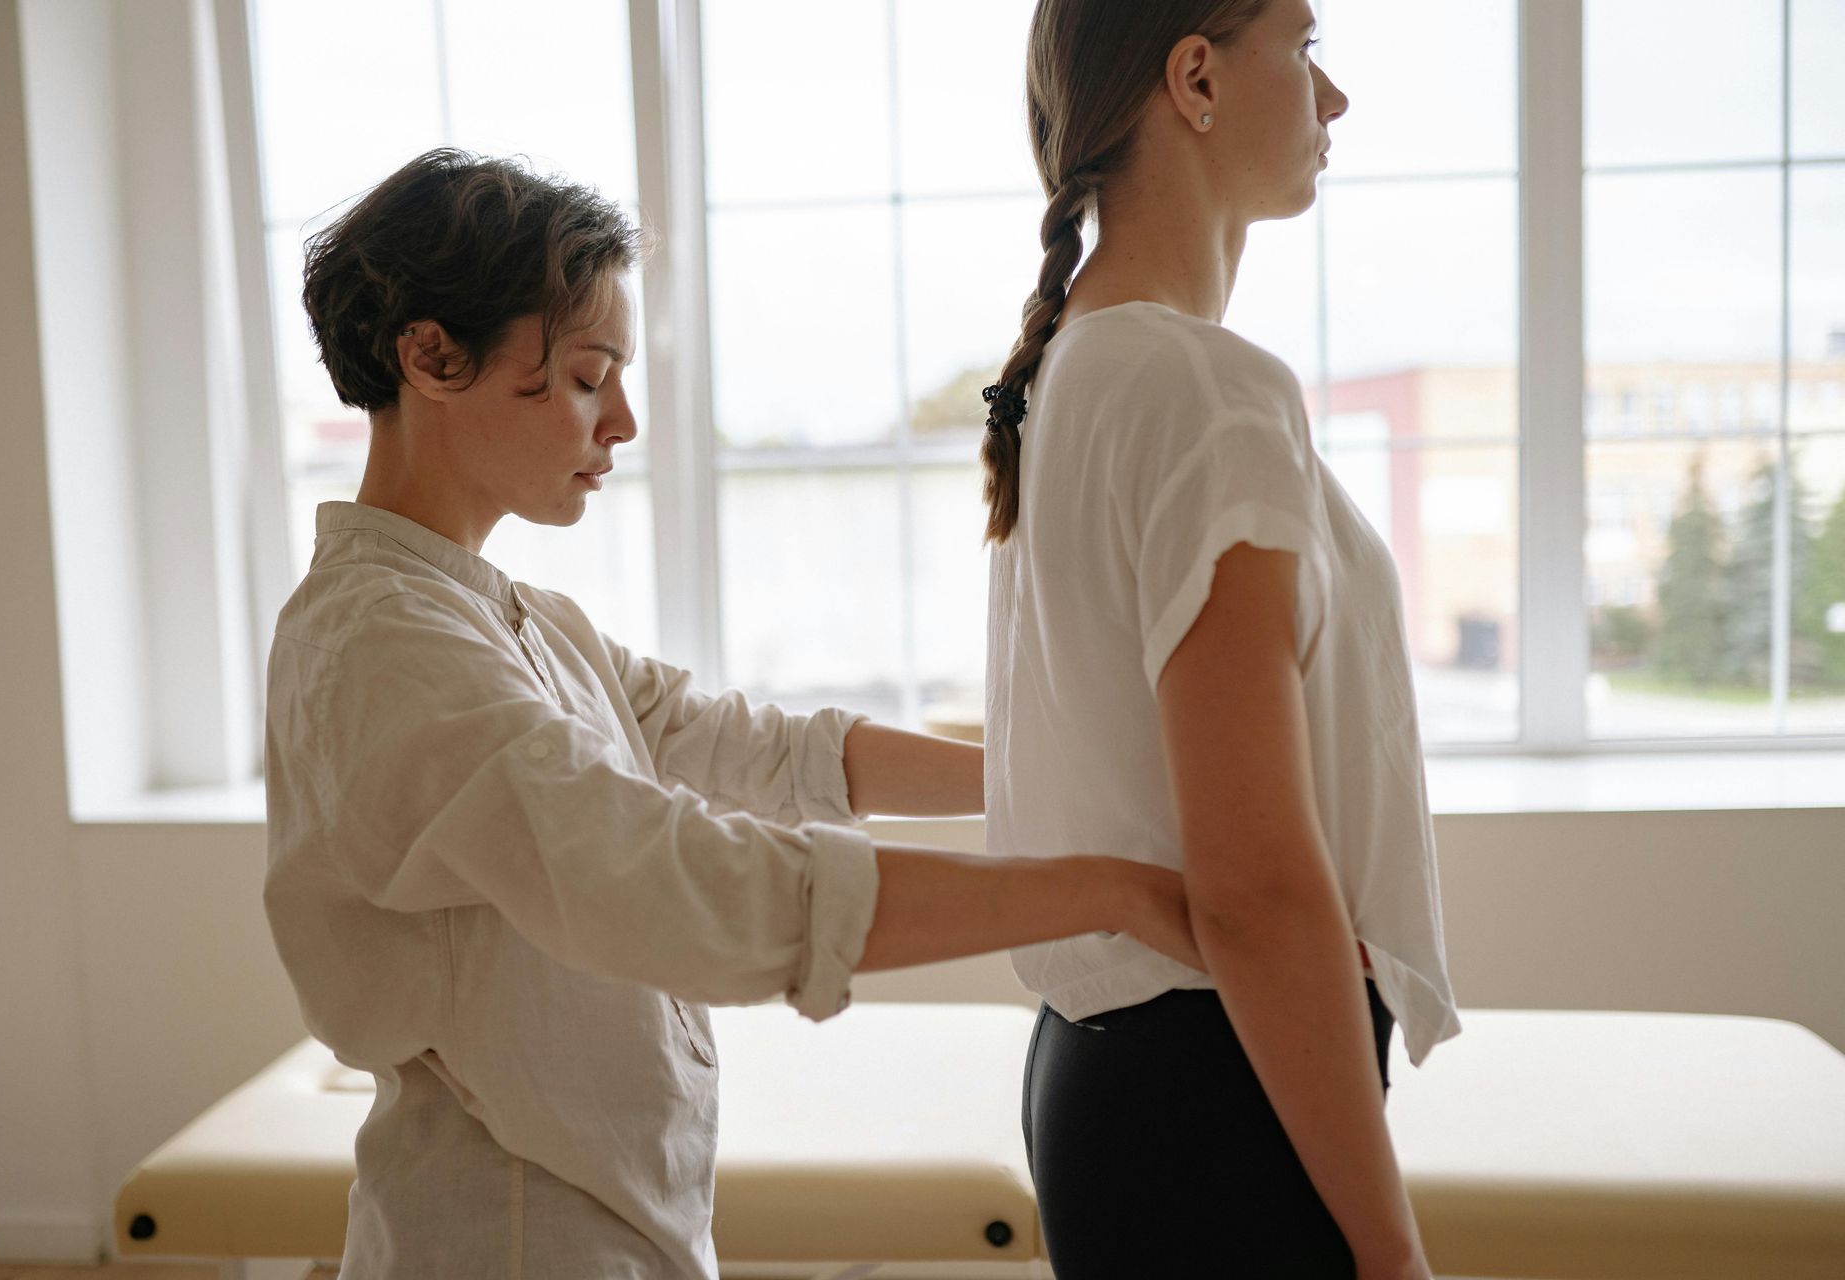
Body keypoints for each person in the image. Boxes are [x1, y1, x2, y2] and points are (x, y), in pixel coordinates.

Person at [262, 148, 1204, 1279]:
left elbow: (759, 749)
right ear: (430, 354)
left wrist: (1070, 780)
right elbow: (666, 877)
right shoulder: (382, 647)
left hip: (618, 1223)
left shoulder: (516, 619)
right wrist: (1112, 886)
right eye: (584, 375)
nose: (623, 420)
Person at [979, 2, 1463, 1276]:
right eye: (1304, 49)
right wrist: (1393, 1247)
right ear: (1193, 77)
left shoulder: (1073, 370)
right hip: (1219, 1094)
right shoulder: (1206, 389)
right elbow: (1250, 886)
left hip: (1101, 1074)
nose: (1334, 99)